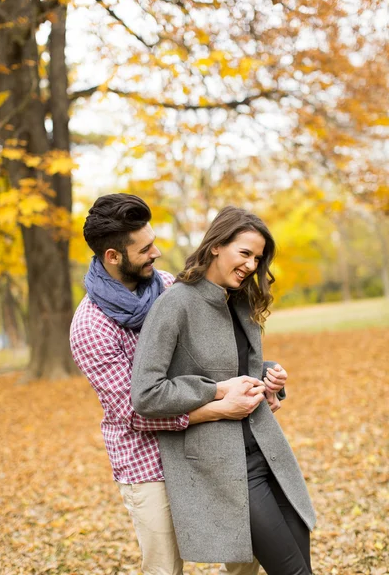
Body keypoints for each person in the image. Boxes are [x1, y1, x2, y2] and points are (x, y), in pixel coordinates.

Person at [70, 194, 289, 575]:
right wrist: (221, 404)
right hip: (147, 463)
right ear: (112, 256)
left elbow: (214, 362)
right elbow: (133, 412)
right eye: (145, 248)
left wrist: (260, 380)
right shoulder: (91, 327)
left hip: (206, 448)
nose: (157, 252)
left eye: (153, 241)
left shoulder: (171, 287)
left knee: (245, 554)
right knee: (165, 567)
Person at [131, 206, 316, 575]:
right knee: (291, 571)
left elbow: (237, 369)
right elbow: (146, 394)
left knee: (301, 560)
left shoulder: (241, 300)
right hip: (227, 467)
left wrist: (268, 380)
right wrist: (216, 392)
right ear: (216, 245)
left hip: (269, 451)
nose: (251, 265)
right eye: (244, 253)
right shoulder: (175, 304)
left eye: (257, 258)